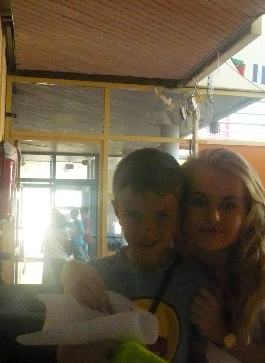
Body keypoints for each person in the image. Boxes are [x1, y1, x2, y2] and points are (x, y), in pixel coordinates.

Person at [57, 148, 208, 363]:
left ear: (180, 213)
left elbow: (199, 355)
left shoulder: (196, 282)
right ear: (117, 210)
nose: (147, 232)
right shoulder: (93, 277)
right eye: (133, 215)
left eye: (162, 216)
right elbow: (64, 353)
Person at [181, 148, 265, 363]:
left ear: (248, 212)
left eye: (228, 206)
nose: (213, 217)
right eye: (199, 202)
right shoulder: (167, 258)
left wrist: (222, 334)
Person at [42, 209, 72, 291]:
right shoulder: (65, 232)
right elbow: (68, 249)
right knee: (60, 282)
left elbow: (46, 245)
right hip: (61, 259)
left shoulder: (48, 231)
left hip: (50, 259)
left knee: (48, 282)